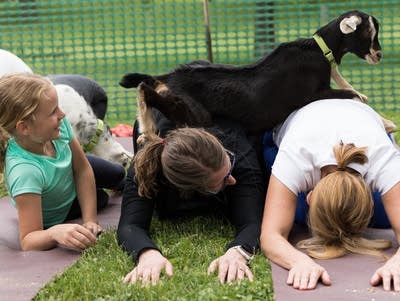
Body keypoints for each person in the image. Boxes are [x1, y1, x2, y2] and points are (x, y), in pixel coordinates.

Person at [260, 98, 400, 292]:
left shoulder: (384, 159)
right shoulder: (294, 157)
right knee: (297, 215)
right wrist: (299, 261)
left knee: (385, 217)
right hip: (291, 124)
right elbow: (270, 236)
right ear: (310, 196)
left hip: (360, 119)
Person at [117, 111, 265, 285]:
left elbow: (252, 222)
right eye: (223, 180)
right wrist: (147, 254)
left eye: (229, 167)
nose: (232, 180)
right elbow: (130, 225)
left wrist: (238, 252)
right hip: (161, 123)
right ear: (192, 189)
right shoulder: (145, 166)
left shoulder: (239, 154)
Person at [0, 73, 126, 251]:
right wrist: (53, 233)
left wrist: (90, 220)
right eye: (52, 111)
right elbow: (28, 239)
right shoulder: (25, 172)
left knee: (118, 174)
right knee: (101, 199)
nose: (62, 113)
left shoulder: (57, 126)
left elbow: (82, 169)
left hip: (67, 173)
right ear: (24, 127)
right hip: (61, 210)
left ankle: (123, 185)